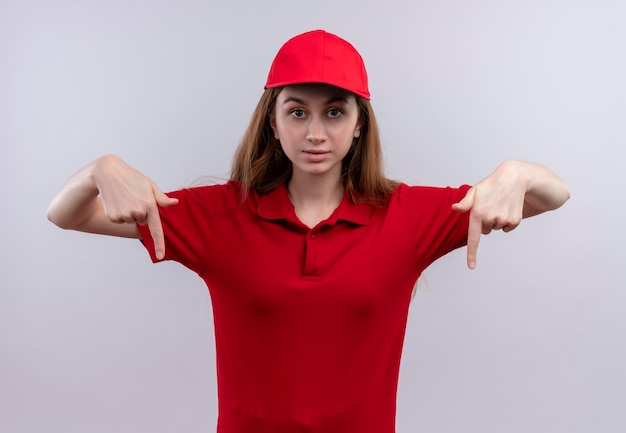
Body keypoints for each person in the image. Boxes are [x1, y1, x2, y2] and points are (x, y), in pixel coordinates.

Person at [47, 30, 570, 433]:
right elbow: (65, 214)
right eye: (297, 112)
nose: (315, 133)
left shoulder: (405, 216)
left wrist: (515, 172)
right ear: (272, 121)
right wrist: (100, 168)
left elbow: (553, 194)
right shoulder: (222, 216)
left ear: (359, 122)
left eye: (334, 113)